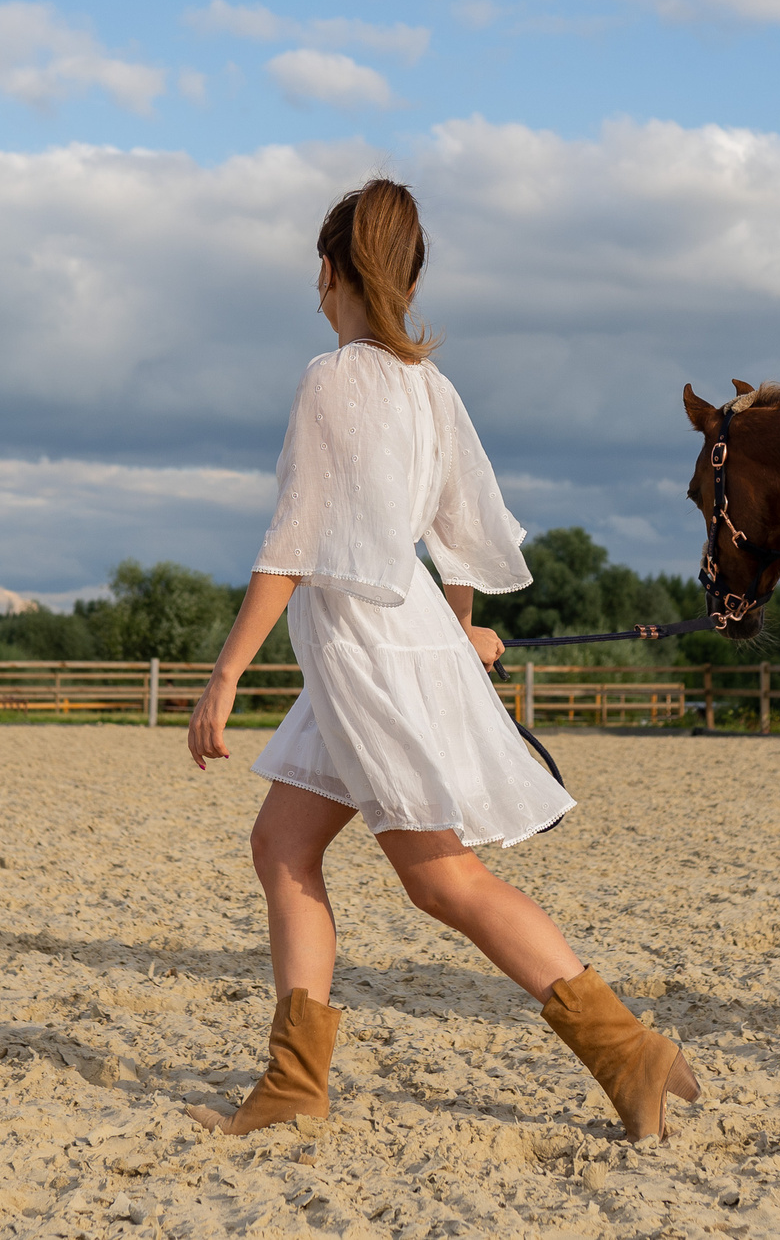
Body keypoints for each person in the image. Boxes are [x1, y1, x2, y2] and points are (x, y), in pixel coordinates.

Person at [184, 178, 700, 1140]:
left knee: (442, 880)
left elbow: (292, 543)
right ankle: (295, 1084)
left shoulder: (332, 378)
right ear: (408, 275)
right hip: (388, 644)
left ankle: (627, 1048)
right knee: (283, 845)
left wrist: (225, 675)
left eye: (319, 269)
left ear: (331, 271)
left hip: (368, 654)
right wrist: (461, 627)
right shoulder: (432, 386)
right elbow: (466, 530)